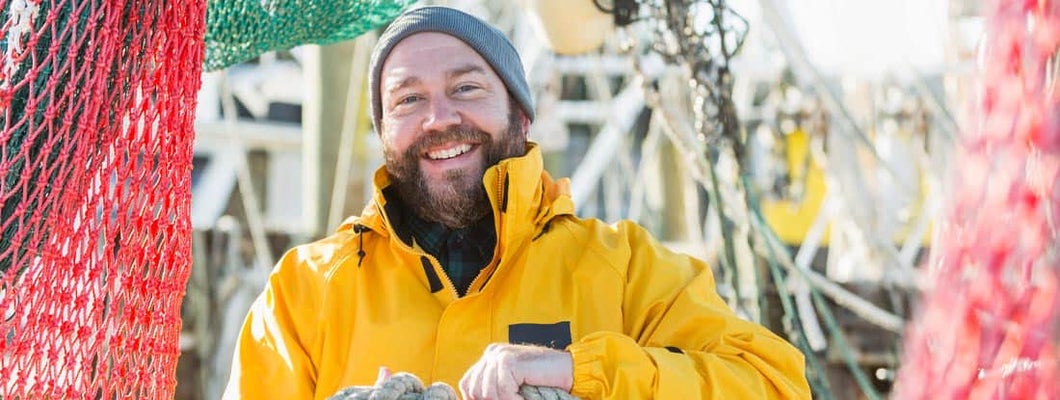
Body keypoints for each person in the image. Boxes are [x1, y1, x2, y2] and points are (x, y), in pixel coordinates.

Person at [224, 6, 810, 400]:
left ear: (521, 115)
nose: (439, 118)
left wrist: (579, 372)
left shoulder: (624, 267)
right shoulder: (305, 291)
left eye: (466, 88)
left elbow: (773, 383)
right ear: (383, 132)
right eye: (407, 100)